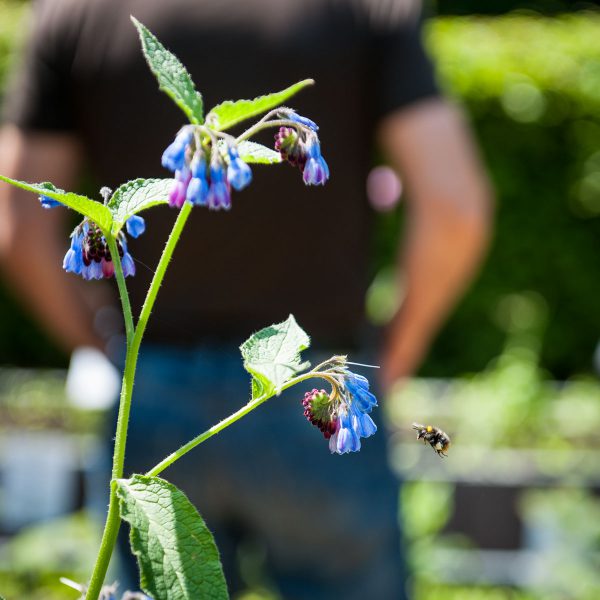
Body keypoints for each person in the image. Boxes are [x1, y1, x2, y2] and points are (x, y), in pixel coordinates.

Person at [0, 0, 493, 597]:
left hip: (153, 388)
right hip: (308, 371)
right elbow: (457, 211)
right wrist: (395, 353)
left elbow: (17, 225)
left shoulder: (72, 11)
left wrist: (109, 352)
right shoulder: (368, 9)